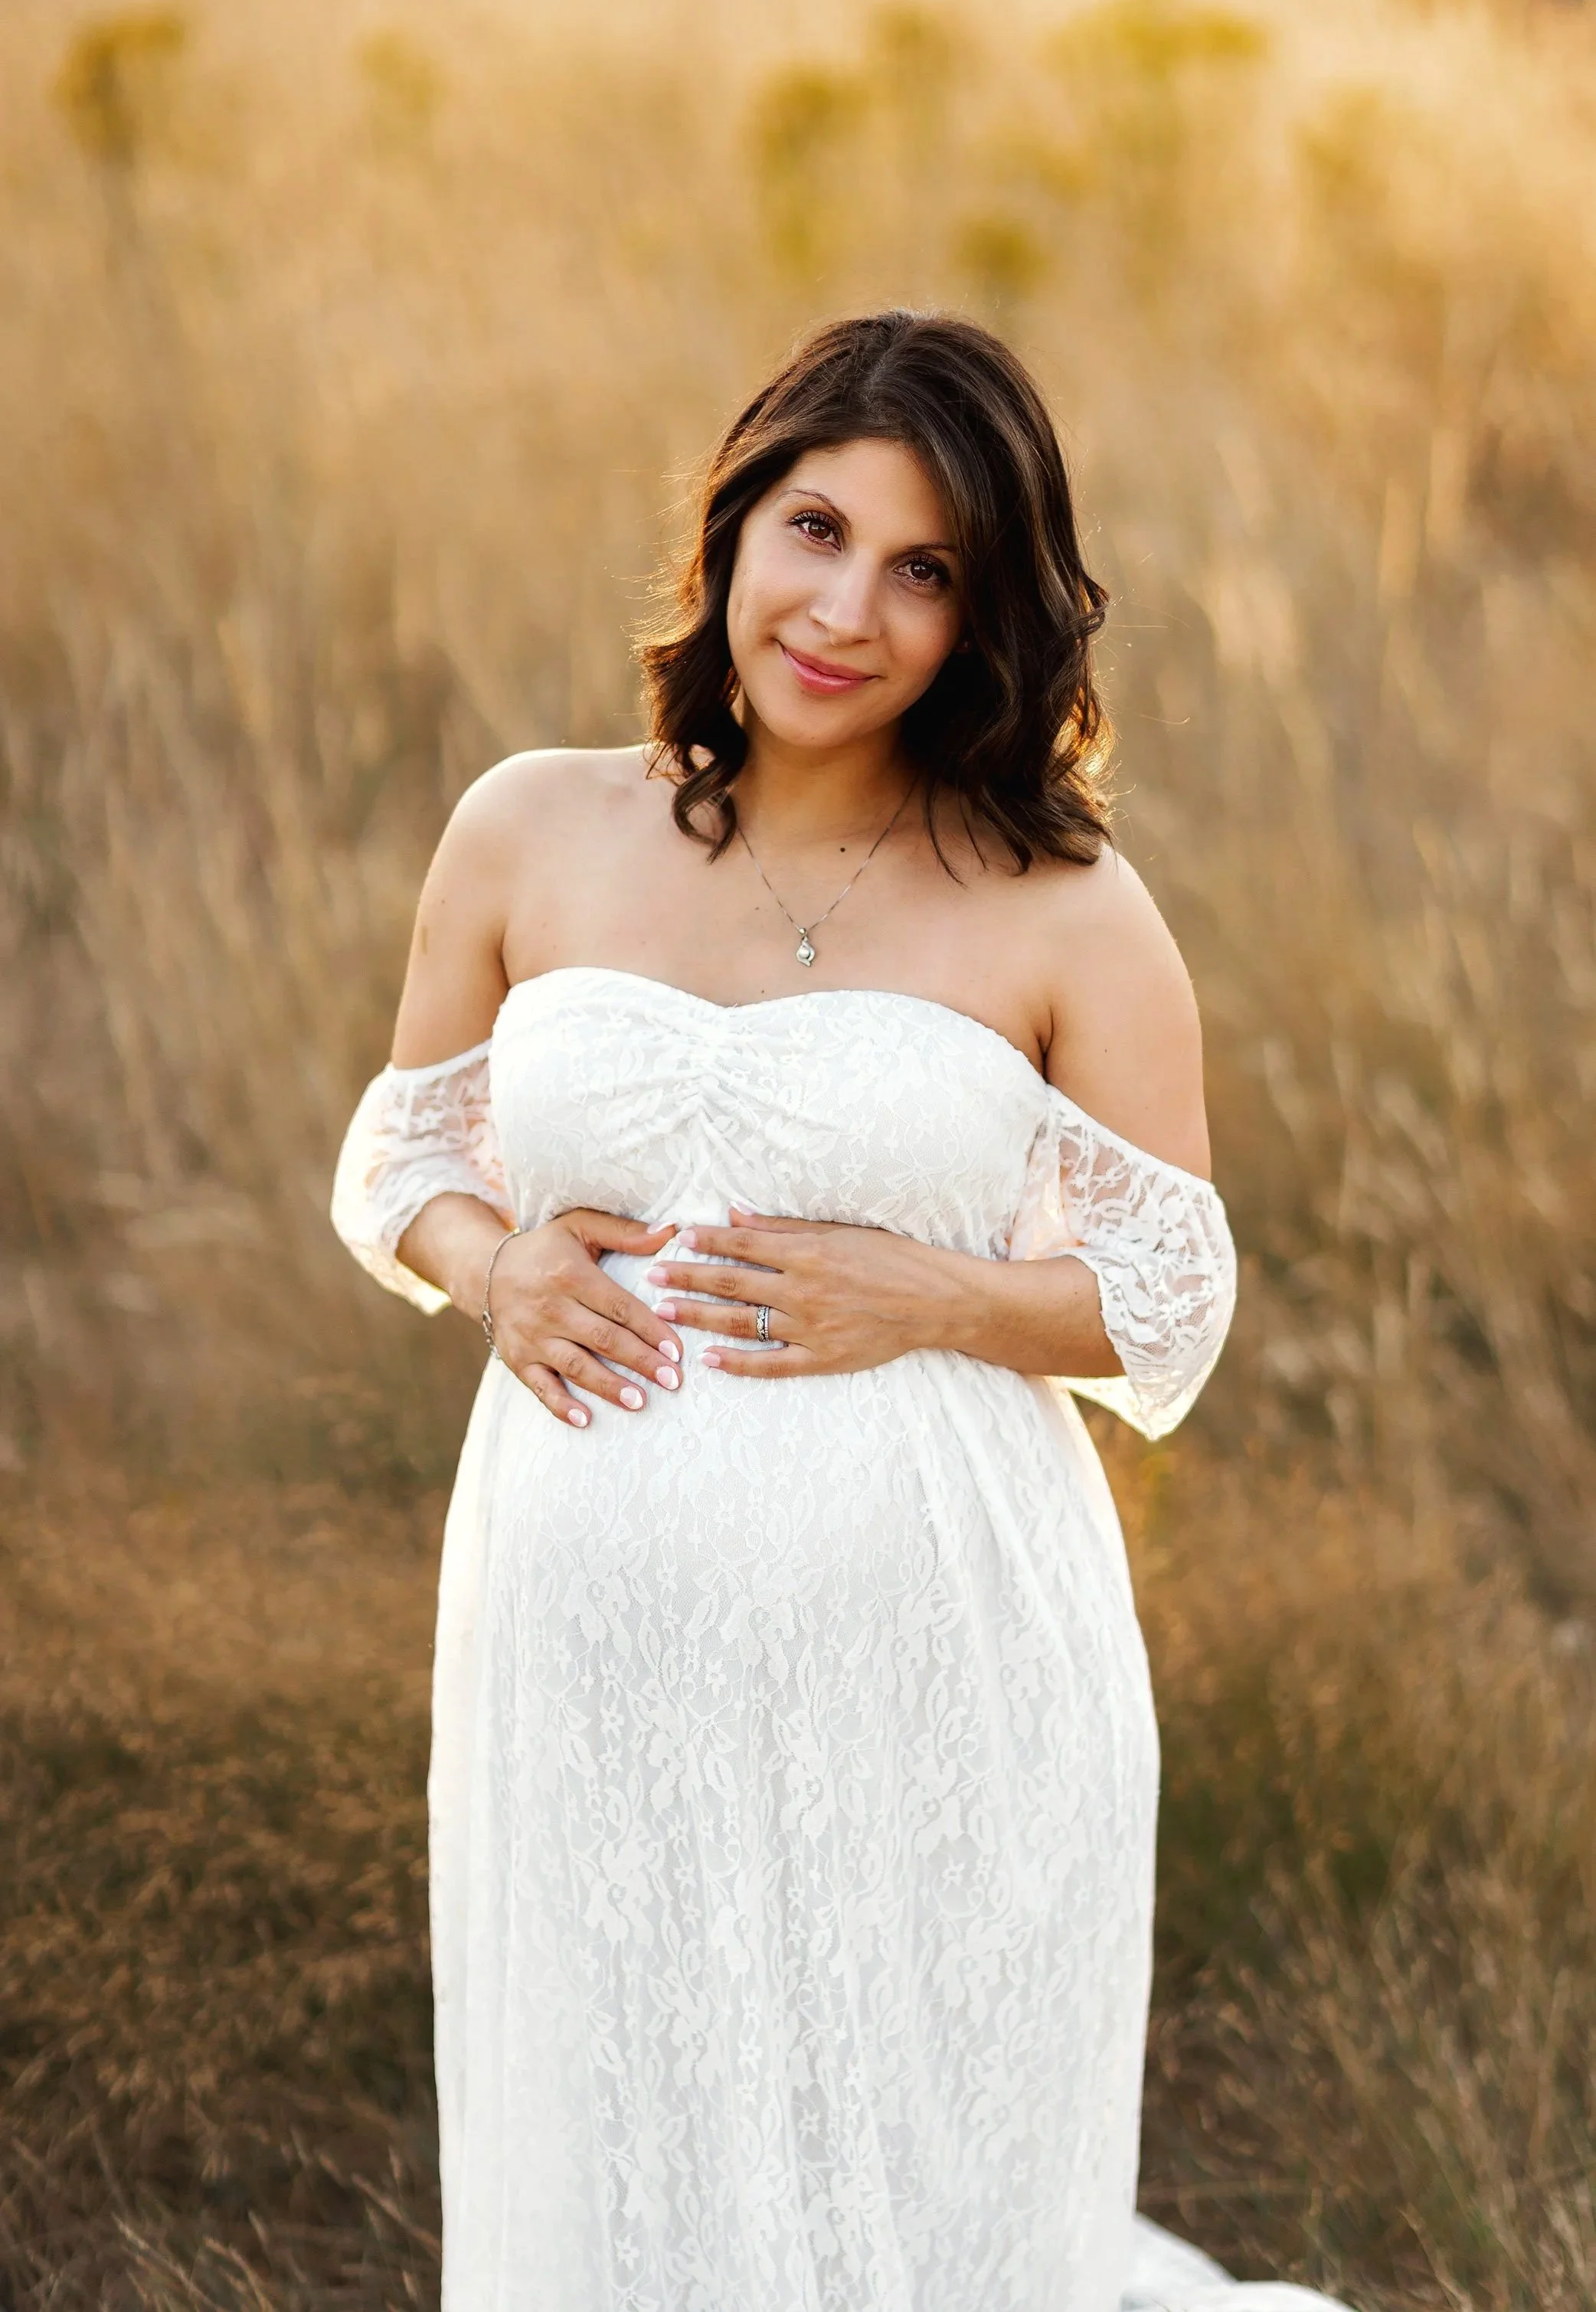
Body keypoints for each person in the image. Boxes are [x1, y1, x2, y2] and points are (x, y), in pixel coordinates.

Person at [332, 312, 1346, 2312]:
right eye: (813, 528)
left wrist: (943, 1292)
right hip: (580, 1649)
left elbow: (1168, 1293)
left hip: (941, 1663)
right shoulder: (528, 824)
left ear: (987, 620)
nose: (842, 611)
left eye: (923, 568)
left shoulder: (1060, 904)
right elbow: (395, 1152)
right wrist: (496, 1259)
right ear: (728, 529)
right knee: (615, 2115)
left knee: (915, 2156)